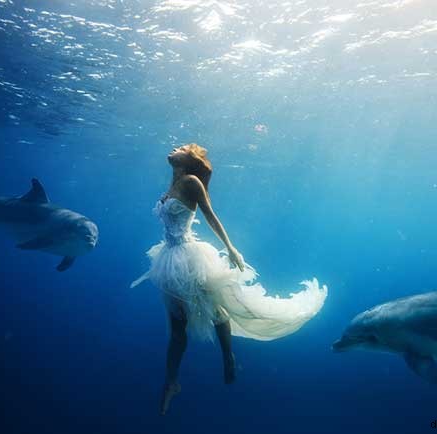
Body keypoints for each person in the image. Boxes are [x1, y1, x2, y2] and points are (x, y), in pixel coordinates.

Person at [131, 143, 327, 415]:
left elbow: (210, 216)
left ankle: (227, 355)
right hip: (169, 257)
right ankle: (171, 382)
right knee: (178, 327)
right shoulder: (175, 180)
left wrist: (231, 248)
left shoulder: (191, 181)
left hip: (188, 257)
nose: (175, 147)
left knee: (215, 308)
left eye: (182, 147)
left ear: (189, 159)